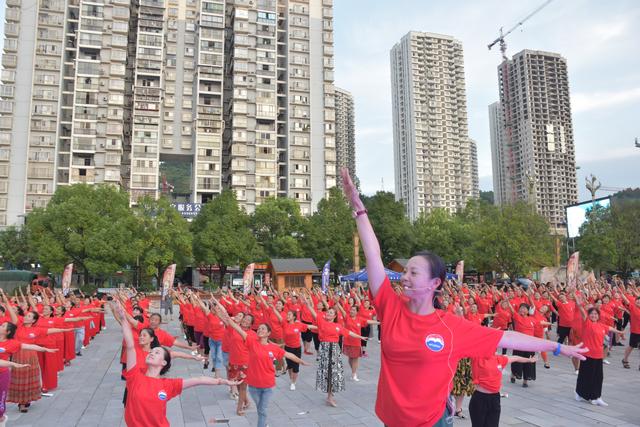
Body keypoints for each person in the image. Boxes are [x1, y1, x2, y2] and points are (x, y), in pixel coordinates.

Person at [340, 168, 587, 427]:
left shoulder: (450, 326)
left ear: (435, 283)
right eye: (405, 272)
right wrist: (359, 208)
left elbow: (506, 336)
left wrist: (558, 347)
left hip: (432, 422)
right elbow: (373, 255)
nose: (404, 278)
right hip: (391, 420)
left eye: (413, 272)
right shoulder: (391, 306)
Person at [111, 300, 239, 427]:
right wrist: (122, 317)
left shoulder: (168, 385)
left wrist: (222, 381)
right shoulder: (135, 376)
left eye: (157, 353)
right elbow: (129, 345)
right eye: (152, 352)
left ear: (163, 362)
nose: (152, 353)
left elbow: (199, 379)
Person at [213, 299, 308, 427]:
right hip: (234, 361)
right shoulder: (237, 330)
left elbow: (269, 344)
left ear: (252, 325)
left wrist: (300, 360)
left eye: (248, 321)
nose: (245, 321)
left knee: (243, 387)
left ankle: (240, 407)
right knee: (239, 385)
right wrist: (217, 308)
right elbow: (227, 320)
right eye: (244, 319)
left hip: (247, 364)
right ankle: (247, 403)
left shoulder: (252, 336)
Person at [302, 292, 366, 407]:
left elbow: (350, 333)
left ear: (334, 316)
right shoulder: (322, 322)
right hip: (325, 348)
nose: (328, 313)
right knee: (326, 372)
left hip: (335, 349)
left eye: (331, 312)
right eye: (328, 312)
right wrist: (307, 304)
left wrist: (361, 337)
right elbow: (313, 312)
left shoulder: (338, 326)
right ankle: (329, 395)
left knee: (334, 372)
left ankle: (330, 396)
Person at [574, 294, 624, 406]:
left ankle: (597, 397)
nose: (594, 315)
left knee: (598, 377)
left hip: (598, 355)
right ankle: (579, 393)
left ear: (598, 315)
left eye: (596, 314)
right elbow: (582, 311)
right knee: (585, 375)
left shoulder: (602, 325)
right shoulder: (587, 323)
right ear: (589, 315)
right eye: (592, 314)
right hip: (587, 354)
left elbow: (610, 328)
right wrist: (579, 304)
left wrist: (619, 332)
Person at [469, 354, 537, 427]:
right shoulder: (477, 357)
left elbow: (516, 358)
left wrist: (529, 360)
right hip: (480, 398)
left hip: (494, 399)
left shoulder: (499, 359)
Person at [281, 309, 316, 390]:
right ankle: (291, 379)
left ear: (293, 317)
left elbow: (309, 326)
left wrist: (320, 327)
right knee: (289, 366)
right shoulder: (284, 323)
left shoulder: (298, 324)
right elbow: (278, 316)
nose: (287, 316)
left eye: (289, 314)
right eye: (287, 314)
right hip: (287, 348)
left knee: (296, 366)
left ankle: (293, 382)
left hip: (297, 348)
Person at [620, 290, 640, 369]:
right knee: (631, 346)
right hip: (635, 331)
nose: (638, 301)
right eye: (637, 300)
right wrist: (621, 292)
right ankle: (625, 360)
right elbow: (626, 300)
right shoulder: (633, 307)